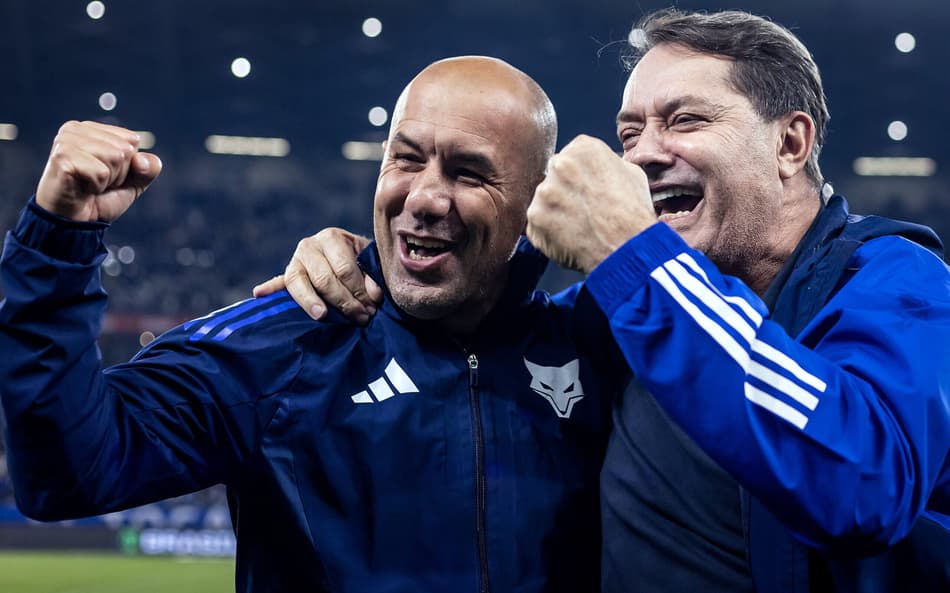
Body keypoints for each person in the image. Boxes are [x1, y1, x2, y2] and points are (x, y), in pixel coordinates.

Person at [256, 9, 950, 593]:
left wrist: (637, 260)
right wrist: (357, 260)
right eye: (629, 134)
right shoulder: (615, 307)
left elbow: (863, 486)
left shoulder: (898, 283)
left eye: (683, 120)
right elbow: (473, 320)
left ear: (790, 141)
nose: (643, 155)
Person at [0, 57, 627, 592]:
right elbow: (64, 476)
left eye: (469, 173)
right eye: (405, 160)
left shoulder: (601, 344)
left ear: (539, 199)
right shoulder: (281, 344)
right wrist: (57, 242)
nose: (425, 197)